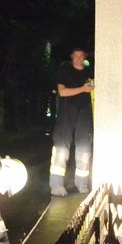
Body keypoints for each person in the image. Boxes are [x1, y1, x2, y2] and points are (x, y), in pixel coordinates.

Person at [49, 47, 94, 197]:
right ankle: (56, 184)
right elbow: (62, 91)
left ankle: (82, 183)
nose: (78, 59)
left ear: (85, 57)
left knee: (84, 149)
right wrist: (83, 89)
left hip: (85, 112)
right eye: (75, 56)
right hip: (66, 112)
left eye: (81, 56)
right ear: (71, 57)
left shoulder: (90, 72)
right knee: (61, 148)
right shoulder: (64, 70)